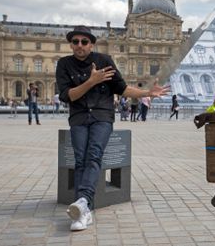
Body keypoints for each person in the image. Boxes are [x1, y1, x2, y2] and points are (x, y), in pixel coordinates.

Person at [55, 25, 169, 231]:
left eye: (84, 42)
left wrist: (147, 93)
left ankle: (81, 204)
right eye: (75, 42)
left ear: (91, 44)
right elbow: (67, 96)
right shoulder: (64, 64)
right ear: (71, 44)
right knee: (80, 160)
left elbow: (122, 89)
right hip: (79, 117)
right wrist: (91, 81)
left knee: (94, 155)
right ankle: (84, 209)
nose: (79, 45)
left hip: (101, 116)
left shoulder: (104, 61)